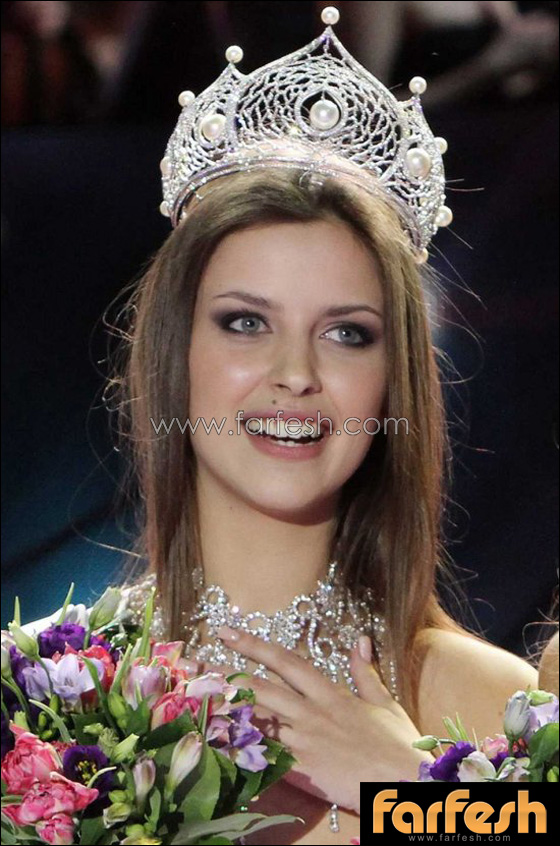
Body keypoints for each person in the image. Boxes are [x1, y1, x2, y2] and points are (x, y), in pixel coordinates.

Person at [16, 7, 540, 845]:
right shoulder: (42, 703)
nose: (296, 373)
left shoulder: (491, 708)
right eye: (245, 322)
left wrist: (412, 790)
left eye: (347, 333)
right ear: (175, 353)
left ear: (394, 379)